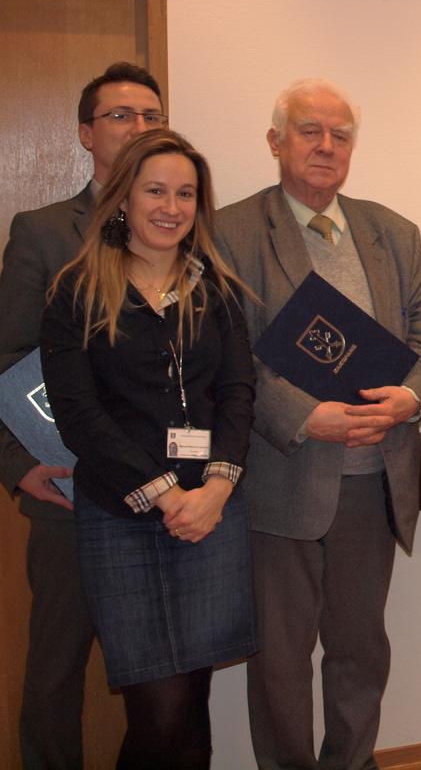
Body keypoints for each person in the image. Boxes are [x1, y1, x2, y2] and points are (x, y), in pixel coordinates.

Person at [214, 78, 421, 770]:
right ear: (275, 141)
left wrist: (410, 398)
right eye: (309, 131)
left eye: (339, 135)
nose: (325, 146)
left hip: (373, 479)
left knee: (359, 647)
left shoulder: (393, 232)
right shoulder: (229, 232)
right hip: (281, 476)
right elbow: (224, 351)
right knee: (280, 658)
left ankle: (351, 761)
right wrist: (302, 415)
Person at [40, 129, 255, 770]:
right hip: (123, 515)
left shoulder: (216, 289)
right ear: (123, 198)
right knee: (157, 709)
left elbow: (237, 393)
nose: (171, 207)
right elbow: (79, 415)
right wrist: (165, 493)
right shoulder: (77, 290)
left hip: (211, 512)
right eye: (155, 190)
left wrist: (216, 489)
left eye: (186, 194)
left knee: (192, 704)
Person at [0, 60, 165, 769]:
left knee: (159, 673)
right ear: (86, 134)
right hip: (68, 490)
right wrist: (15, 466)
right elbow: (6, 358)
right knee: (57, 668)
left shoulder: (181, 227)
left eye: (151, 116)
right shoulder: (41, 232)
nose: (138, 127)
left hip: (164, 492)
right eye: (121, 115)